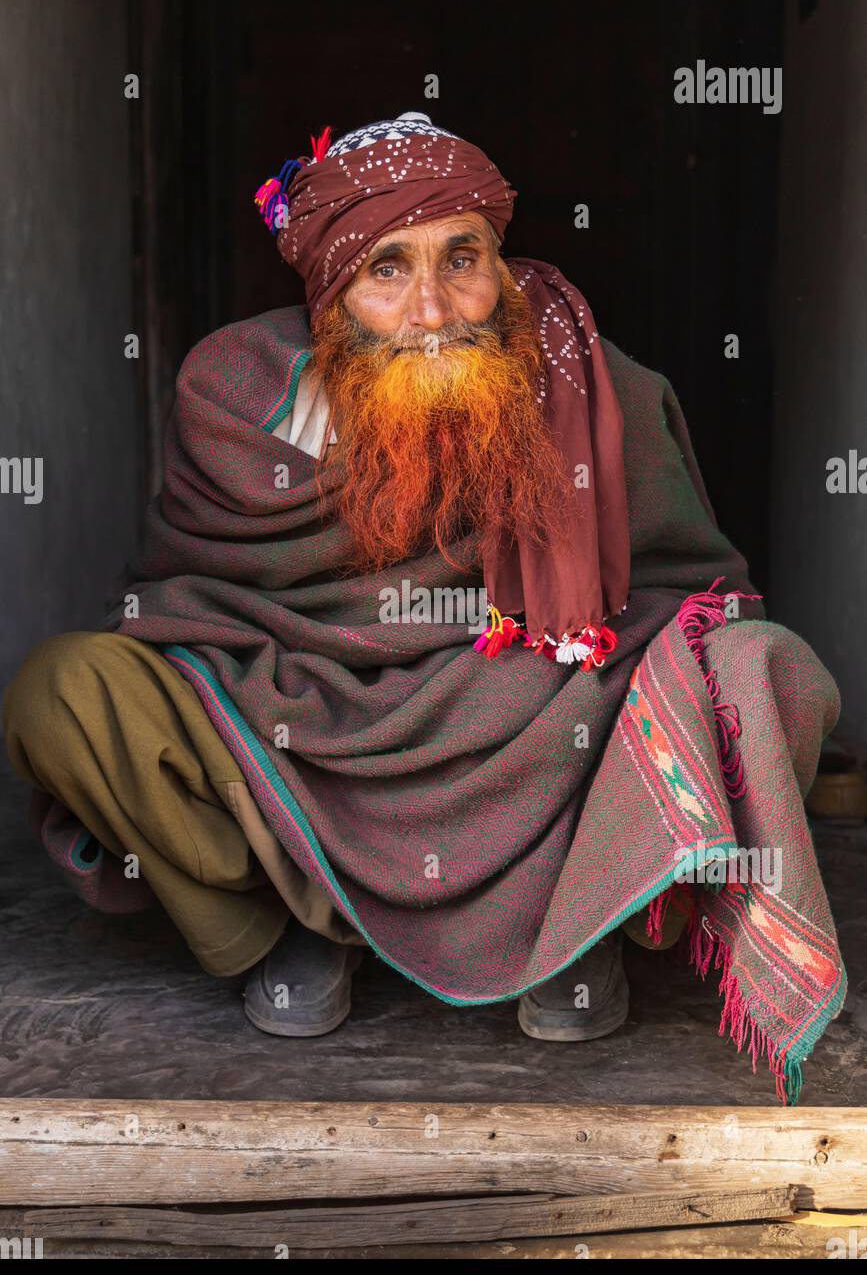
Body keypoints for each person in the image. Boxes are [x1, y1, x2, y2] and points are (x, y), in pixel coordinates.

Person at [2, 113, 846, 1103]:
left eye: (462, 258)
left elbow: (690, 589)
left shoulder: (592, 385)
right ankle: (279, 930)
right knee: (65, 691)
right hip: (296, 725)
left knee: (750, 664)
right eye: (387, 269)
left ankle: (578, 920)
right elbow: (184, 601)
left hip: (534, 713)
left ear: (505, 260)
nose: (434, 305)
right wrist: (279, 670)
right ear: (330, 297)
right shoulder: (236, 399)